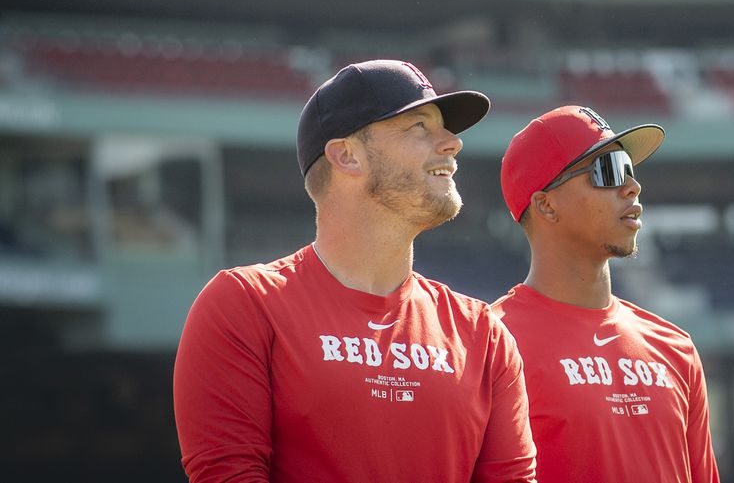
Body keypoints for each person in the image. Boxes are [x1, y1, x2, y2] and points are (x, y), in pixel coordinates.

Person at [173, 59, 536, 483]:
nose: (452, 143)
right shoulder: (245, 304)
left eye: (445, 128)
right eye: (419, 126)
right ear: (346, 156)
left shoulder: (484, 334)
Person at [492, 105, 720, 483]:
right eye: (608, 171)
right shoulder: (490, 344)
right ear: (546, 205)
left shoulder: (675, 348)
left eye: (629, 170)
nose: (632, 187)